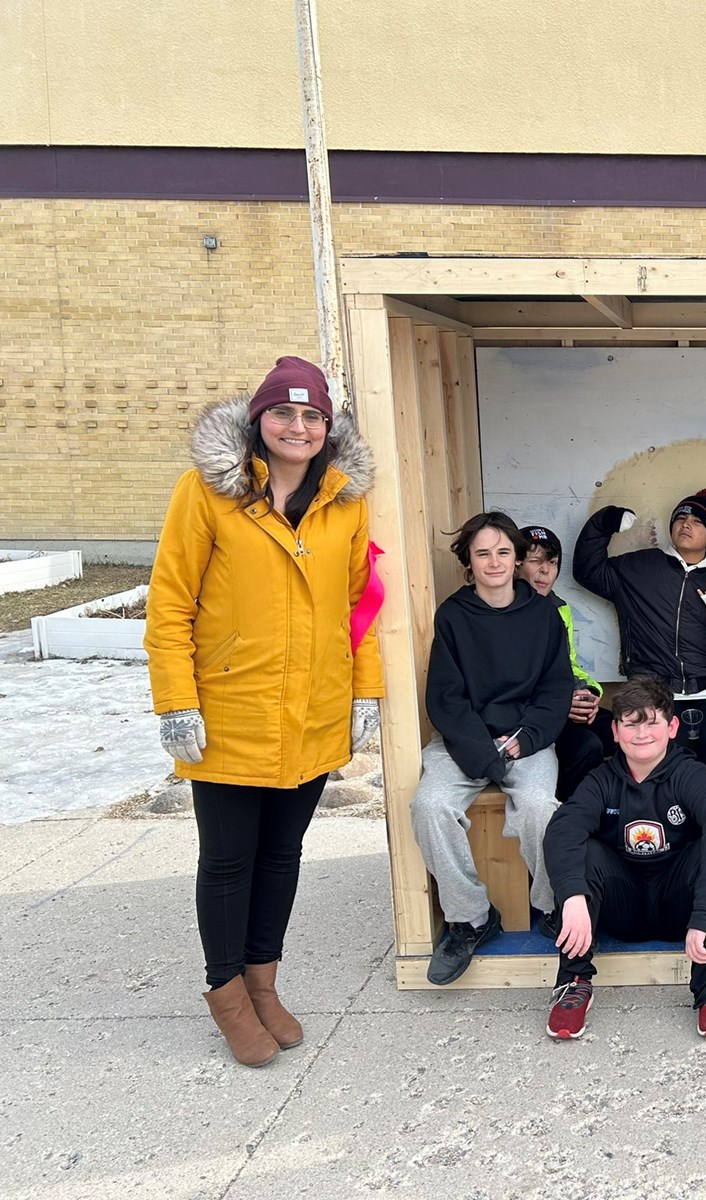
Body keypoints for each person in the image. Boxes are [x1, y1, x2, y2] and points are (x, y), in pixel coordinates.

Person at [145, 355, 383, 1067]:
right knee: (227, 861)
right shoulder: (206, 494)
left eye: (312, 416)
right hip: (230, 713)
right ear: (259, 421)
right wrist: (175, 701)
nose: (298, 426)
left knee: (282, 856)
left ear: (327, 428)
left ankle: (263, 982)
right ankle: (226, 994)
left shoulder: (344, 503)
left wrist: (363, 690)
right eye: (284, 413)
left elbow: (357, 607)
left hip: (311, 711)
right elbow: (170, 602)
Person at [411, 512, 573, 986]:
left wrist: (526, 739)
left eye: (504, 552)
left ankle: (549, 906)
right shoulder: (454, 615)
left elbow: (555, 688)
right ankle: (471, 918)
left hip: (526, 739)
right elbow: (445, 697)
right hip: (465, 742)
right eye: (483, 553)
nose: (495, 562)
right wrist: (483, 754)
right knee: (430, 806)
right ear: (469, 562)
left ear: (518, 558)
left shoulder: (543, 613)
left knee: (542, 806)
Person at [542, 675, 706, 1040]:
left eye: (651, 722)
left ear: (672, 727)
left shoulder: (690, 774)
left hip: (680, 909)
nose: (642, 733)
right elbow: (563, 830)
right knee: (582, 849)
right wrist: (572, 896)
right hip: (625, 906)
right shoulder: (603, 779)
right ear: (615, 732)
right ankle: (574, 982)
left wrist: (705, 916)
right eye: (631, 723)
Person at [574, 489, 706, 790]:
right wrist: (604, 523)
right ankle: (667, 823)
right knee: (666, 750)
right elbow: (588, 570)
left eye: (697, 521)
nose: (686, 524)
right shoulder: (640, 567)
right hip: (653, 684)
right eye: (681, 517)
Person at [518, 524, 614, 799]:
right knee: (588, 747)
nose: (545, 571)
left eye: (553, 562)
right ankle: (566, 819)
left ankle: (607, 813)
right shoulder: (505, 610)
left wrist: (588, 693)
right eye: (535, 561)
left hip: (560, 703)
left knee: (622, 730)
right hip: (530, 714)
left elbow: (567, 664)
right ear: (516, 564)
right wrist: (562, 702)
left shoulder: (558, 608)